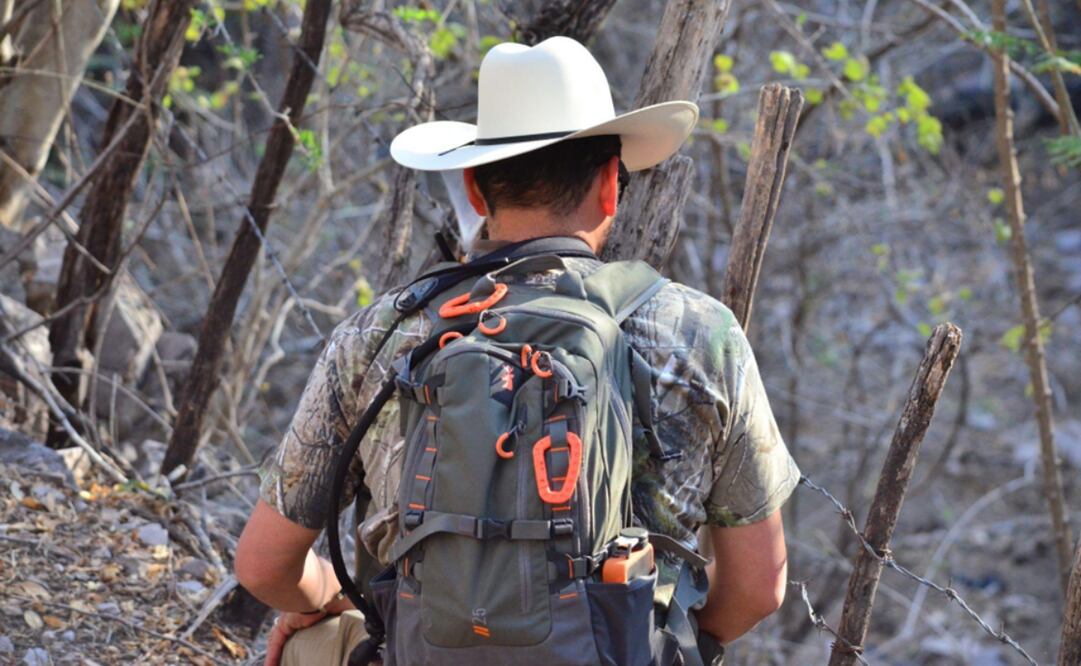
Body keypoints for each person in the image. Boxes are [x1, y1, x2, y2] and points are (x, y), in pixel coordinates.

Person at [235, 36, 800, 666]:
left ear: (476, 190)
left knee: (311, 643)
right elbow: (757, 588)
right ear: (611, 186)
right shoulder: (701, 334)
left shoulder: (379, 335)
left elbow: (264, 566)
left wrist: (330, 597)